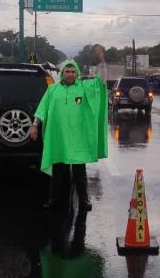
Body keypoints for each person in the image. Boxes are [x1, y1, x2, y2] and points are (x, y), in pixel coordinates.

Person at [30, 60, 108, 211]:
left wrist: (102, 63)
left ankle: (84, 200)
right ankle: (53, 199)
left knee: (80, 172)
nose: (70, 74)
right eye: (67, 71)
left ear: (77, 73)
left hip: (78, 139)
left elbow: (101, 82)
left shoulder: (84, 87)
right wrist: (34, 124)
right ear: (62, 73)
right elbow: (42, 108)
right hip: (59, 138)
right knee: (58, 172)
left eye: (73, 72)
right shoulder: (52, 89)